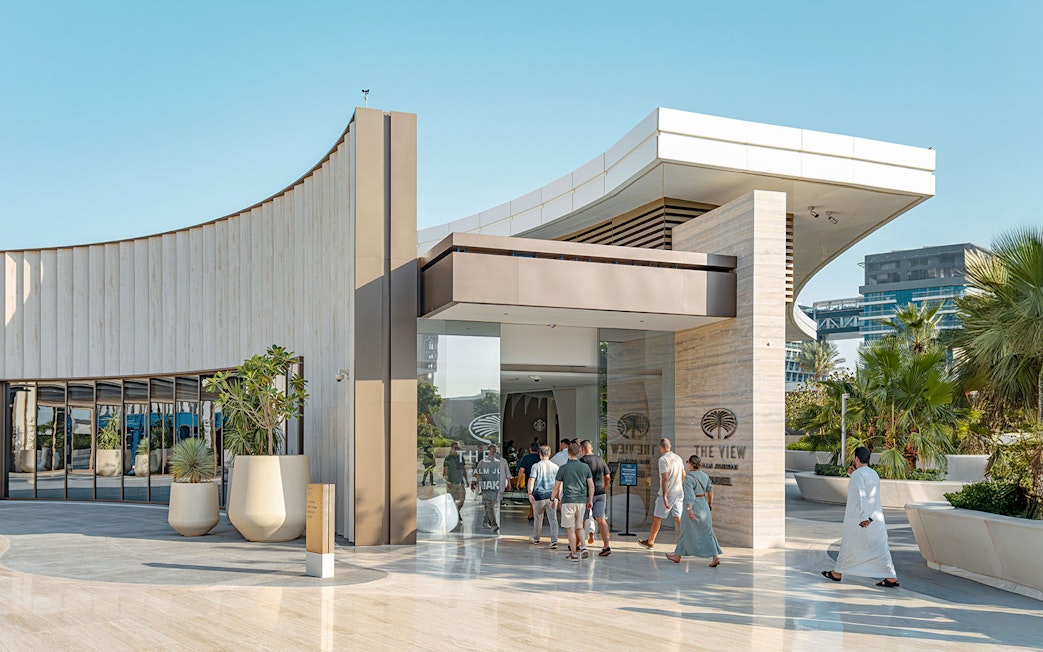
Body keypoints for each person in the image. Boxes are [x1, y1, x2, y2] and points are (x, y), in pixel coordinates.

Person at [822, 446, 899, 588]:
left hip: (860, 519)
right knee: (879, 547)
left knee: (849, 544)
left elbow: (861, 495)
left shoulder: (858, 475)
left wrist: (864, 517)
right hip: (875, 518)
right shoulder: (873, 473)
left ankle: (837, 573)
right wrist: (853, 475)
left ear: (856, 459)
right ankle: (891, 577)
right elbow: (867, 490)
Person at [665, 455, 721, 567]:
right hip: (704, 505)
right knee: (708, 532)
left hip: (694, 506)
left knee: (685, 531)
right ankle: (715, 557)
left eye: (688, 463)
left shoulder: (689, 478)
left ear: (691, 464)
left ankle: (677, 556)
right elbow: (710, 490)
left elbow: (690, 496)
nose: (687, 465)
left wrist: (689, 509)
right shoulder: (705, 475)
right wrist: (709, 503)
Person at [639, 438, 685, 550]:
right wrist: (678, 485)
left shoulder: (663, 459)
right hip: (679, 492)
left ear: (661, 447)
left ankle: (650, 541)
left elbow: (665, 478)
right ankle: (689, 539)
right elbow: (683, 475)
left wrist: (664, 496)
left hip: (668, 493)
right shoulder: (678, 458)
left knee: (657, 518)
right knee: (678, 517)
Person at [552, 441, 594, 561]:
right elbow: (591, 486)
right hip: (581, 501)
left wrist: (552, 499)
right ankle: (584, 547)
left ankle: (574, 553)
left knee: (570, 528)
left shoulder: (563, 468)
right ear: (579, 452)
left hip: (568, 500)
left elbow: (556, 486)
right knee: (579, 527)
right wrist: (590, 500)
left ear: (568, 453)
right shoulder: (585, 467)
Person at [579, 439, 613, 557]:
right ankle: (606, 545)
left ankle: (579, 544)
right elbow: (607, 476)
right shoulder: (600, 459)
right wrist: (604, 488)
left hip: (587, 494)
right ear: (591, 448)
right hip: (600, 492)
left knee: (581, 519)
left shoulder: (582, 461)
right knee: (601, 519)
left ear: (581, 449)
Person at [527, 445, 560, 548]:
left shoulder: (536, 466)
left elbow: (531, 479)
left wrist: (530, 493)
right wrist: (558, 496)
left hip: (539, 496)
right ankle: (554, 541)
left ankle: (536, 538)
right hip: (551, 496)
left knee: (538, 518)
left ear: (539, 454)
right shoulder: (555, 467)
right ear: (549, 454)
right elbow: (559, 483)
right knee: (553, 519)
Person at [475, 443, 510, 532]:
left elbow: (504, 474)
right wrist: (479, 484)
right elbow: (476, 473)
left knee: (490, 506)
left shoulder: (499, 462)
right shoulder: (482, 462)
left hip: (495, 486)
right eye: (493, 450)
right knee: (490, 505)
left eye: (495, 450)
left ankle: (485, 521)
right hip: (487, 487)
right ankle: (493, 524)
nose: (494, 451)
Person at [517, 443, 542, 522]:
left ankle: (532, 514)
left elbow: (521, 470)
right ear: (538, 450)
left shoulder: (526, 458)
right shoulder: (540, 458)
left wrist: (518, 481)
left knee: (531, 497)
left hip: (529, 480)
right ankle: (538, 514)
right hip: (540, 480)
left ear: (530, 449)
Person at [442, 441, 467, 516]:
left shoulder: (461, 457)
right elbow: (444, 473)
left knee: (462, 500)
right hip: (452, 483)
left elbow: (463, 469)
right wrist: (448, 482)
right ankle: (455, 516)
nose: (457, 449)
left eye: (458, 448)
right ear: (452, 448)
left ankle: (457, 512)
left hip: (460, 482)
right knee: (452, 501)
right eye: (455, 448)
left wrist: (466, 480)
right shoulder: (448, 458)